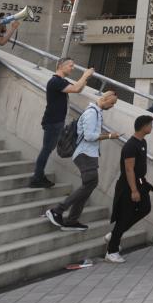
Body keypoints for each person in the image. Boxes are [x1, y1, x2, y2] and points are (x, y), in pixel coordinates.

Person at [45, 89, 121, 231]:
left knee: (89, 186)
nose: (112, 106)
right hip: (84, 154)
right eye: (112, 103)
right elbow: (89, 136)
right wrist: (110, 136)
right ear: (105, 99)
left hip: (89, 154)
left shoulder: (97, 112)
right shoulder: (92, 113)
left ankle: (72, 220)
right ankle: (57, 211)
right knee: (90, 183)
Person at [30, 58, 95, 188]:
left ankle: (38, 176)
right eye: (71, 65)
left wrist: (86, 78)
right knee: (46, 149)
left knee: (47, 149)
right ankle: (37, 177)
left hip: (56, 121)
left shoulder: (61, 81)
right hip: (53, 122)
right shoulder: (55, 81)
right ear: (60, 66)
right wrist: (85, 75)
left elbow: (78, 88)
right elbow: (76, 88)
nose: (72, 68)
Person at [105, 114, 153, 263]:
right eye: (150, 125)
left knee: (145, 208)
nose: (152, 127)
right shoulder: (130, 146)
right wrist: (134, 190)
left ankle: (114, 234)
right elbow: (129, 169)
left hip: (141, 182)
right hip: (128, 185)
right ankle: (111, 251)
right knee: (125, 216)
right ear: (144, 126)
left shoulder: (143, 142)